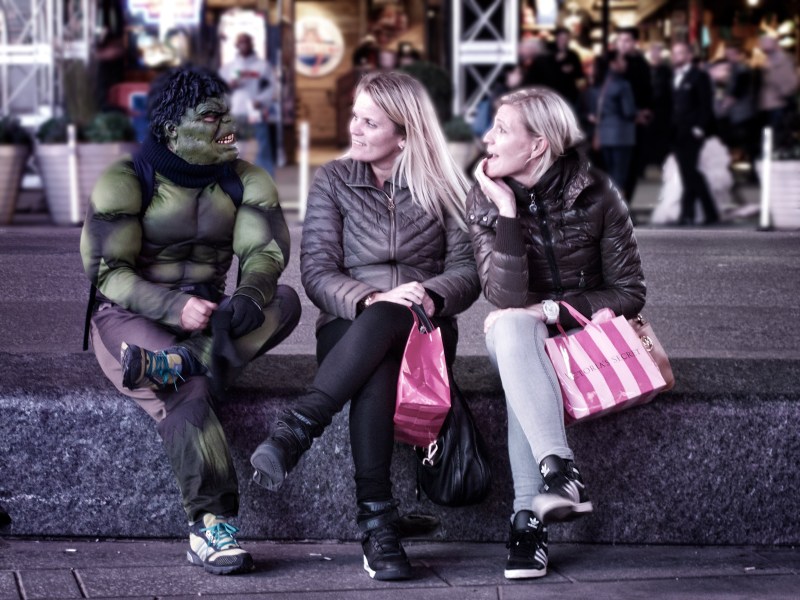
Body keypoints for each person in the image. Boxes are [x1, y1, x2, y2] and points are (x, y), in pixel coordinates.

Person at [249, 71, 480, 581]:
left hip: (426, 328)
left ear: (404, 133)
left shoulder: (447, 186)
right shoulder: (334, 180)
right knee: (378, 353)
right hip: (349, 325)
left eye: (369, 122)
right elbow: (317, 272)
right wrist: (374, 298)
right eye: (355, 117)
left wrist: (427, 295)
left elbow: (467, 271)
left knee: (393, 331)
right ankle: (378, 523)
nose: (353, 128)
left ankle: (300, 427)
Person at [80, 65, 301, 576]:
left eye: (228, 114)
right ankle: (210, 525)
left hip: (210, 318)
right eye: (211, 117)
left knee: (285, 300)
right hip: (130, 317)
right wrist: (171, 306)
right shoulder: (126, 179)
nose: (229, 126)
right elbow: (107, 270)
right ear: (171, 128)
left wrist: (249, 296)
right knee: (190, 390)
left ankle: (178, 360)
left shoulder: (244, 178)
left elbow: (264, 252)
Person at [468, 87, 645, 580]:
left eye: (502, 129)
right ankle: (559, 472)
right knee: (511, 328)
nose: (487, 139)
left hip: (584, 333)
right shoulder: (484, 197)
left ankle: (527, 521)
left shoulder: (597, 193)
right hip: (518, 336)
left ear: (538, 145)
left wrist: (547, 311)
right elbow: (504, 297)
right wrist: (507, 212)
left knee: (517, 347)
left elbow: (629, 291)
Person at [670, 41, 720, 225]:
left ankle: (705, 212)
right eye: (674, 53)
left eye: (680, 52)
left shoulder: (699, 76)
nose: (677, 56)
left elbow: (706, 104)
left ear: (689, 55)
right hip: (676, 131)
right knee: (687, 172)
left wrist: (700, 127)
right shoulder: (674, 75)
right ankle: (689, 213)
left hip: (692, 131)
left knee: (690, 171)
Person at [219, 33, 276, 176]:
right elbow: (218, 89)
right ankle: (230, 178)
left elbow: (272, 87)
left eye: (247, 41)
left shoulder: (262, 66)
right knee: (230, 146)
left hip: (255, 113)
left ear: (252, 44)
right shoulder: (228, 68)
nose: (244, 45)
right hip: (234, 112)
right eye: (241, 42)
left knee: (262, 148)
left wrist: (261, 100)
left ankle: (265, 178)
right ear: (236, 45)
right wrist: (229, 87)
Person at [589, 50, 637, 192]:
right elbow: (629, 111)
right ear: (613, 64)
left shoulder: (599, 84)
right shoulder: (623, 85)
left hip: (604, 135)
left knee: (610, 174)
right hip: (622, 135)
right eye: (621, 60)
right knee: (620, 175)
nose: (625, 63)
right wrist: (639, 114)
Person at [615, 27, 654, 204]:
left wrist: (644, 111)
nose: (623, 44)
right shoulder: (611, 61)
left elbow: (646, 91)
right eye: (620, 40)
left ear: (634, 43)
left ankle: (625, 204)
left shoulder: (640, 64)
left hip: (634, 121)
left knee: (631, 165)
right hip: (614, 122)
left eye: (627, 40)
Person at [756, 34, 799, 152]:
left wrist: (783, 93)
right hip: (772, 103)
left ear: (774, 44)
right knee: (772, 133)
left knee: (777, 134)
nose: (761, 46)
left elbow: (790, 82)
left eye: (764, 43)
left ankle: (778, 154)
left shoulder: (781, 59)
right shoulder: (770, 59)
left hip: (778, 103)